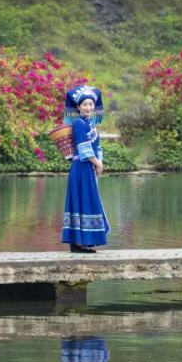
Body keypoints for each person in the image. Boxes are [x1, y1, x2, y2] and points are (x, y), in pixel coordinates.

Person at [61, 85, 110, 253]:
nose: (88, 107)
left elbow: (97, 146)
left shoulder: (91, 124)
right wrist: (98, 163)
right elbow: (84, 148)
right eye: (85, 105)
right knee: (84, 201)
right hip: (81, 168)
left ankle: (81, 241)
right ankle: (81, 241)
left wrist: (98, 161)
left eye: (91, 104)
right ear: (78, 107)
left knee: (87, 200)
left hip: (88, 167)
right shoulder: (79, 124)